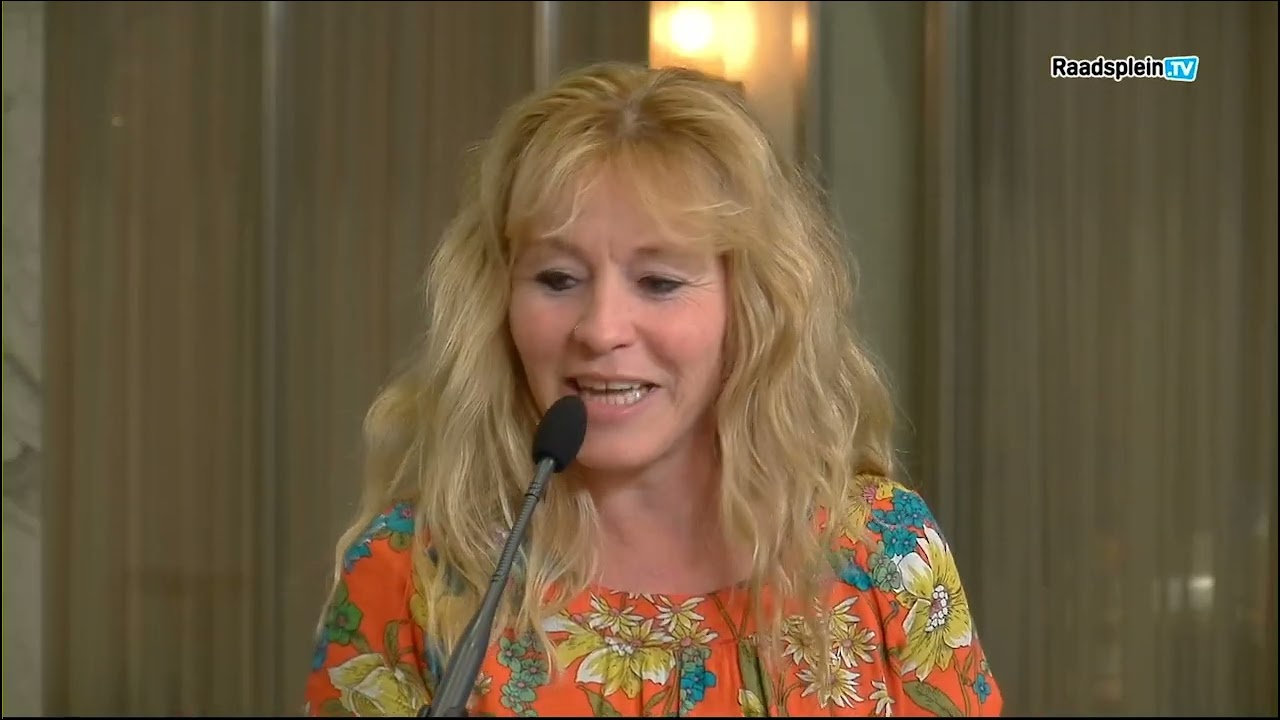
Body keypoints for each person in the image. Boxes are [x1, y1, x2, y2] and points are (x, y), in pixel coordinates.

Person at [303, 61, 1003, 717]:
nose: (601, 329)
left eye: (659, 282)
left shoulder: (885, 552)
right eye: (557, 279)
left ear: (751, 306)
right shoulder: (406, 578)